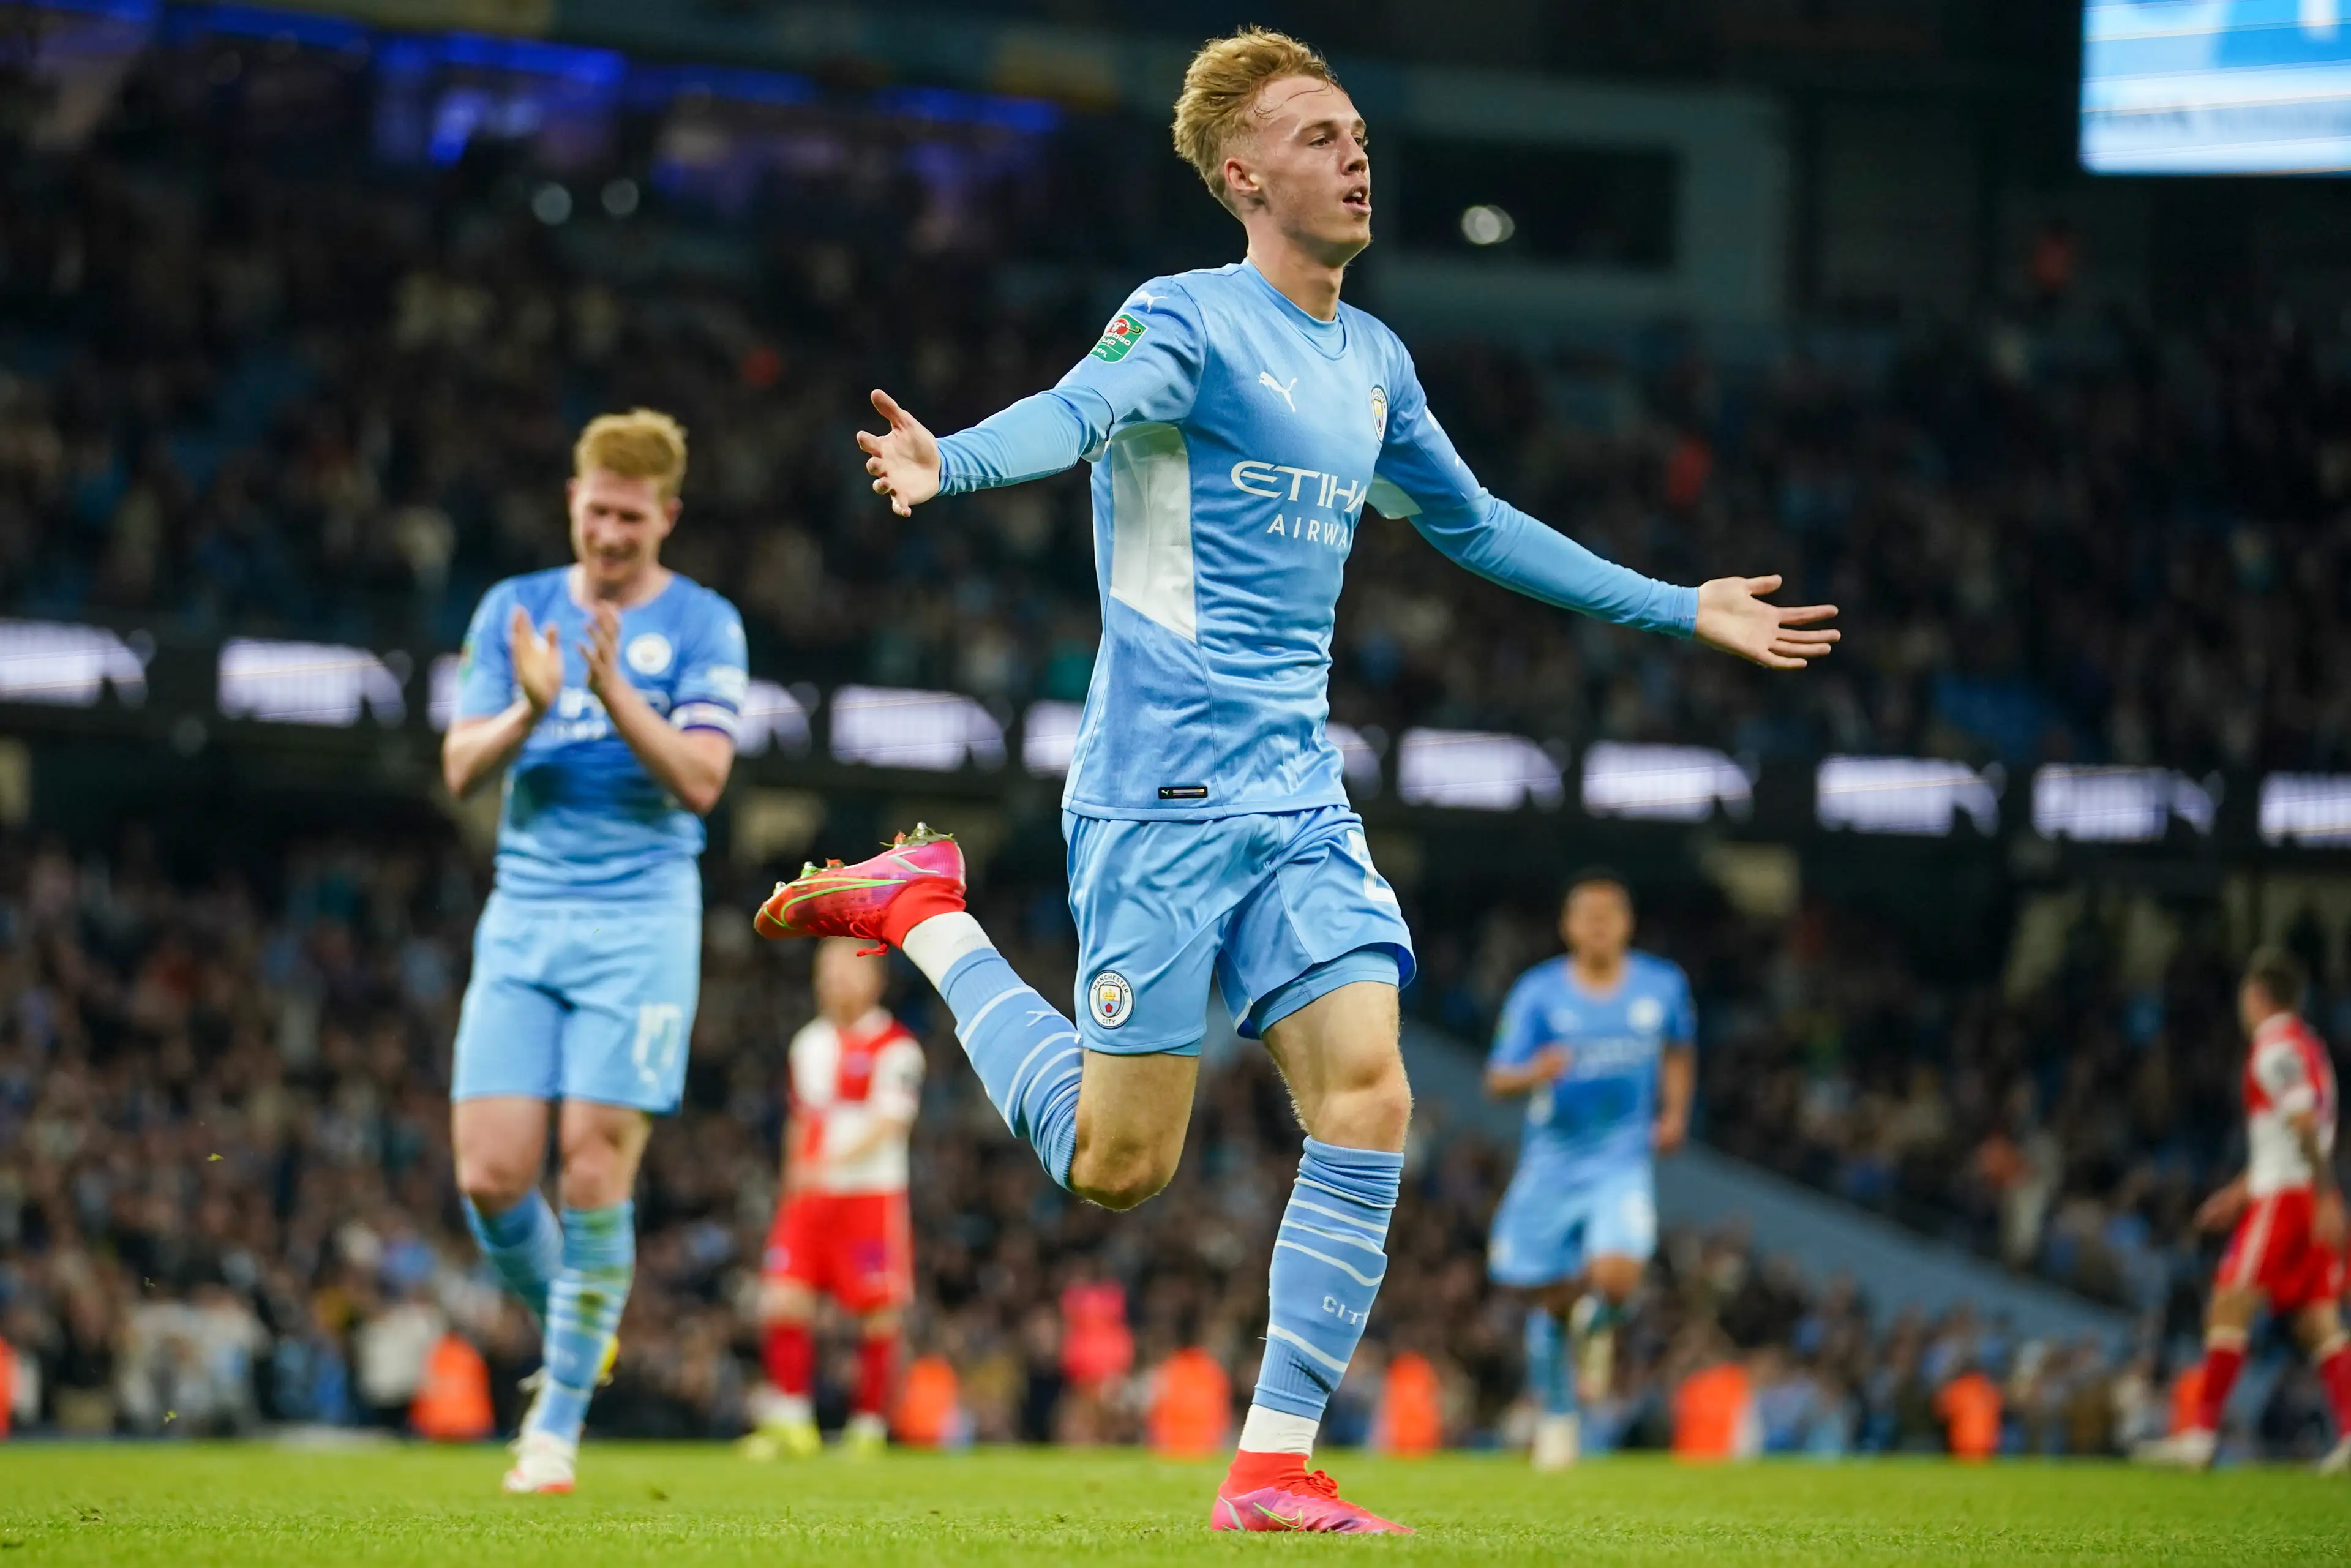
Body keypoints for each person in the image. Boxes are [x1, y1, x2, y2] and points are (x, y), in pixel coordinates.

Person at [756, 28, 1834, 1532]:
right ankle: (927, 913)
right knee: (1115, 1164)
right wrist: (959, 462)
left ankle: (1269, 1460)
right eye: (1318, 136)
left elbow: (1474, 524)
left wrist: (1675, 601)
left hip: (1295, 799)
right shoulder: (1184, 320)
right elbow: (1074, 411)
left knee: (1371, 1092)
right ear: (1240, 174)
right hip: (1155, 802)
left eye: (1356, 132)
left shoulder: (1371, 357)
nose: (1354, 153)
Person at [442, 409, 746, 1495]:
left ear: (665, 515)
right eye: (595, 511)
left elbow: (705, 780)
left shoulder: (706, 626)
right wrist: (531, 707)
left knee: (589, 1164)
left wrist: (612, 691)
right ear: (572, 503)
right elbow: (459, 770)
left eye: (630, 516)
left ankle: (553, 1429)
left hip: (641, 924)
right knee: (488, 1175)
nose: (610, 533)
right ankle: (579, 1318)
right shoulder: (512, 609)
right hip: (526, 917)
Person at [1484, 872, 1694, 1470]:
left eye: (1610, 914)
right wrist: (1537, 1069)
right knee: (1549, 1298)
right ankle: (1557, 1413)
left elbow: (1680, 1048)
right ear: (1569, 926)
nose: (1599, 925)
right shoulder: (1539, 992)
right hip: (1553, 1161)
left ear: (1626, 923)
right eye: (1587, 915)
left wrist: (1675, 1112)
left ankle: (1598, 1324)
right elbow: (1498, 1078)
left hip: (1621, 1159)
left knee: (1618, 1274)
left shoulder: (1663, 986)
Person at [2136, 948, 2351, 1472]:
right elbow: (2295, 1130)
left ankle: (2200, 1436)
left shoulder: (2273, 1047)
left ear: (2257, 996)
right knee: (2318, 1320)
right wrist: (2239, 1190)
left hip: (2288, 1198)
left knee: (2229, 1304)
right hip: (2296, 1188)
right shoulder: (2309, 1047)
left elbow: (2301, 1122)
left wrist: (2320, 1194)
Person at [744, 937, 924, 1461]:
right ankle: (794, 1422)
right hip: (811, 1197)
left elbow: (891, 1123)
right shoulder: (808, 1044)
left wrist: (832, 1162)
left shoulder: (898, 1047)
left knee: (879, 1314)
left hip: (870, 1196)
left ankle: (868, 1428)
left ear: (875, 979)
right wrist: (793, 1180)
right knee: (782, 1299)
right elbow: (803, 1120)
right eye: (826, 971)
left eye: (845, 970)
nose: (834, 981)